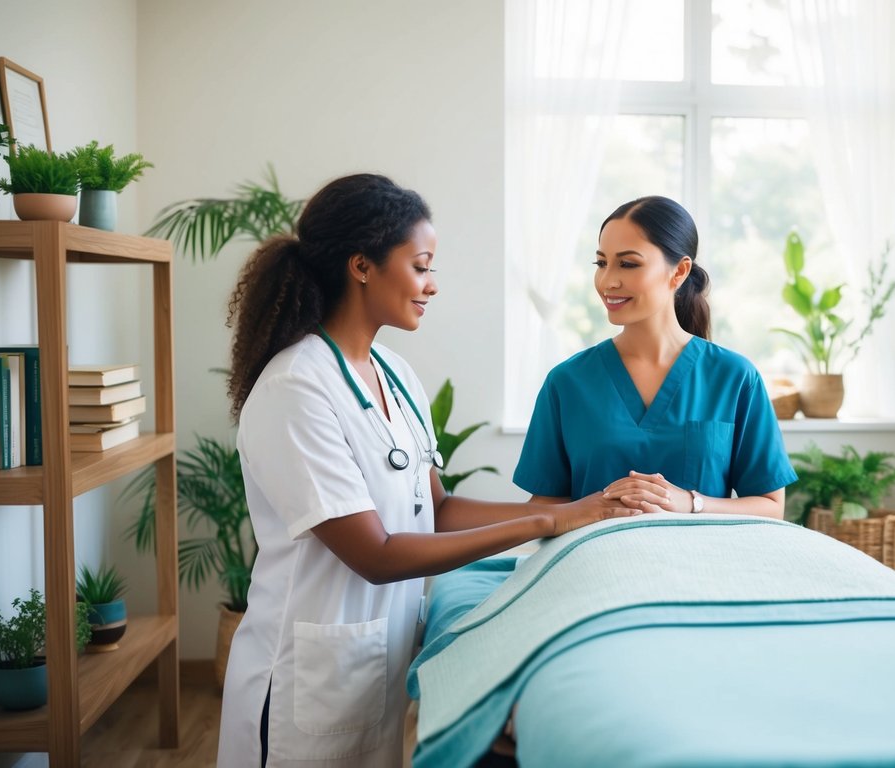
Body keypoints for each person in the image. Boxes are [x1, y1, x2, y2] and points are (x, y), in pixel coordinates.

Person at [215, 174, 636, 767]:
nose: (432, 285)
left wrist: (569, 514)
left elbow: (435, 510)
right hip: (303, 683)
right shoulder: (296, 389)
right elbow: (376, 554)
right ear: (362, 266)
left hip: (371, 669)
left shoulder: (394, 375)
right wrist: (544, 518)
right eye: (421, 266)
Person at [514, 195, 797, 518]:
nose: (608, 281)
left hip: (704, 564)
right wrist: (591, 510)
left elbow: (770, 505)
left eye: (628, 263)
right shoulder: (566, 383)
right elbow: (544, 507)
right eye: (601, 263)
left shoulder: (735, 377)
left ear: (679, 272)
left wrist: (689, 502)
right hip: (593, 564)